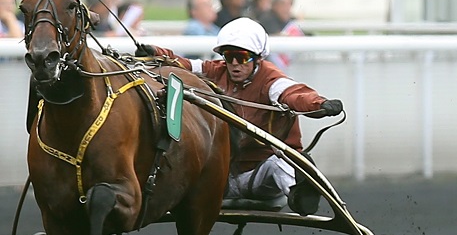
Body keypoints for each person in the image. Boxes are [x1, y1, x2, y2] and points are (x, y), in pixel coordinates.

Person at [137, 18, 342, 215]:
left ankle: (300, 194)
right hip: (220, 177)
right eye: (228, 56)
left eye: (242, 57)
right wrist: (155, 53)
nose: (234, 64)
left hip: (259, 177)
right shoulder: (215, 71)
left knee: (283, 161)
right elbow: (181, 64)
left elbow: (295, 94)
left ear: (257, 58)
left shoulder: (271, 81)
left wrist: (320, 105)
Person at [259, 0, 305, 69]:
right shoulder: (267, 18)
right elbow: (278, 35)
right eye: (283, 4)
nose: (286, 8)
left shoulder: (289, 19)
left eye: (289, 4)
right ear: (274, 5)